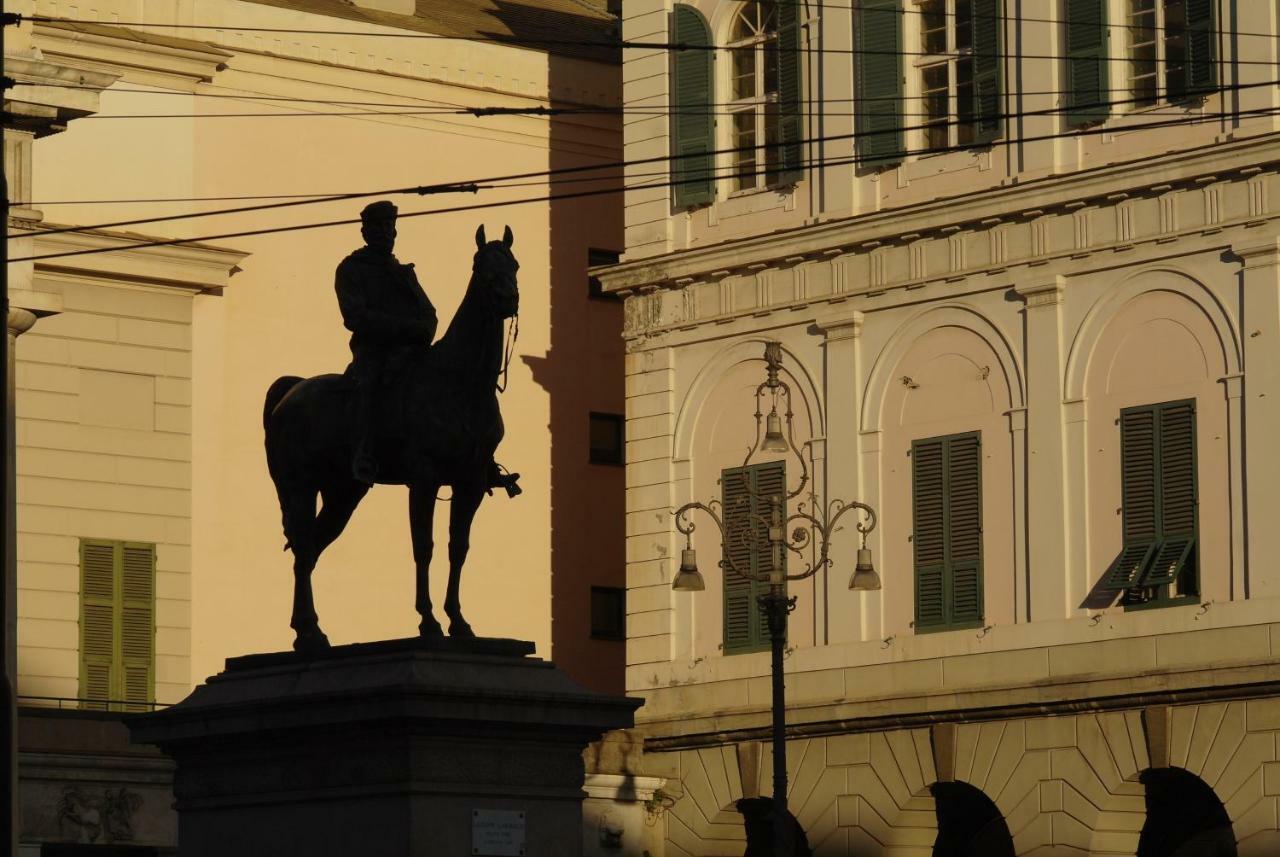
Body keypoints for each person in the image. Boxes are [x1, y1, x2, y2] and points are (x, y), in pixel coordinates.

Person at [335, 201, 520, 497]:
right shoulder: (352, 269)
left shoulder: (403, 272)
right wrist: (402, 327)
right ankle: (364, 452)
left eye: (389, 227)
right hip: (375, 352)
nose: (386, 233)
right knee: (368, 386)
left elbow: (428, 311)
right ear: (365, 232)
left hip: (410, 352)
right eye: (378, 227)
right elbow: (354, 316)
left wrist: (424, 328)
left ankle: (480, 458)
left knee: (447, 385)